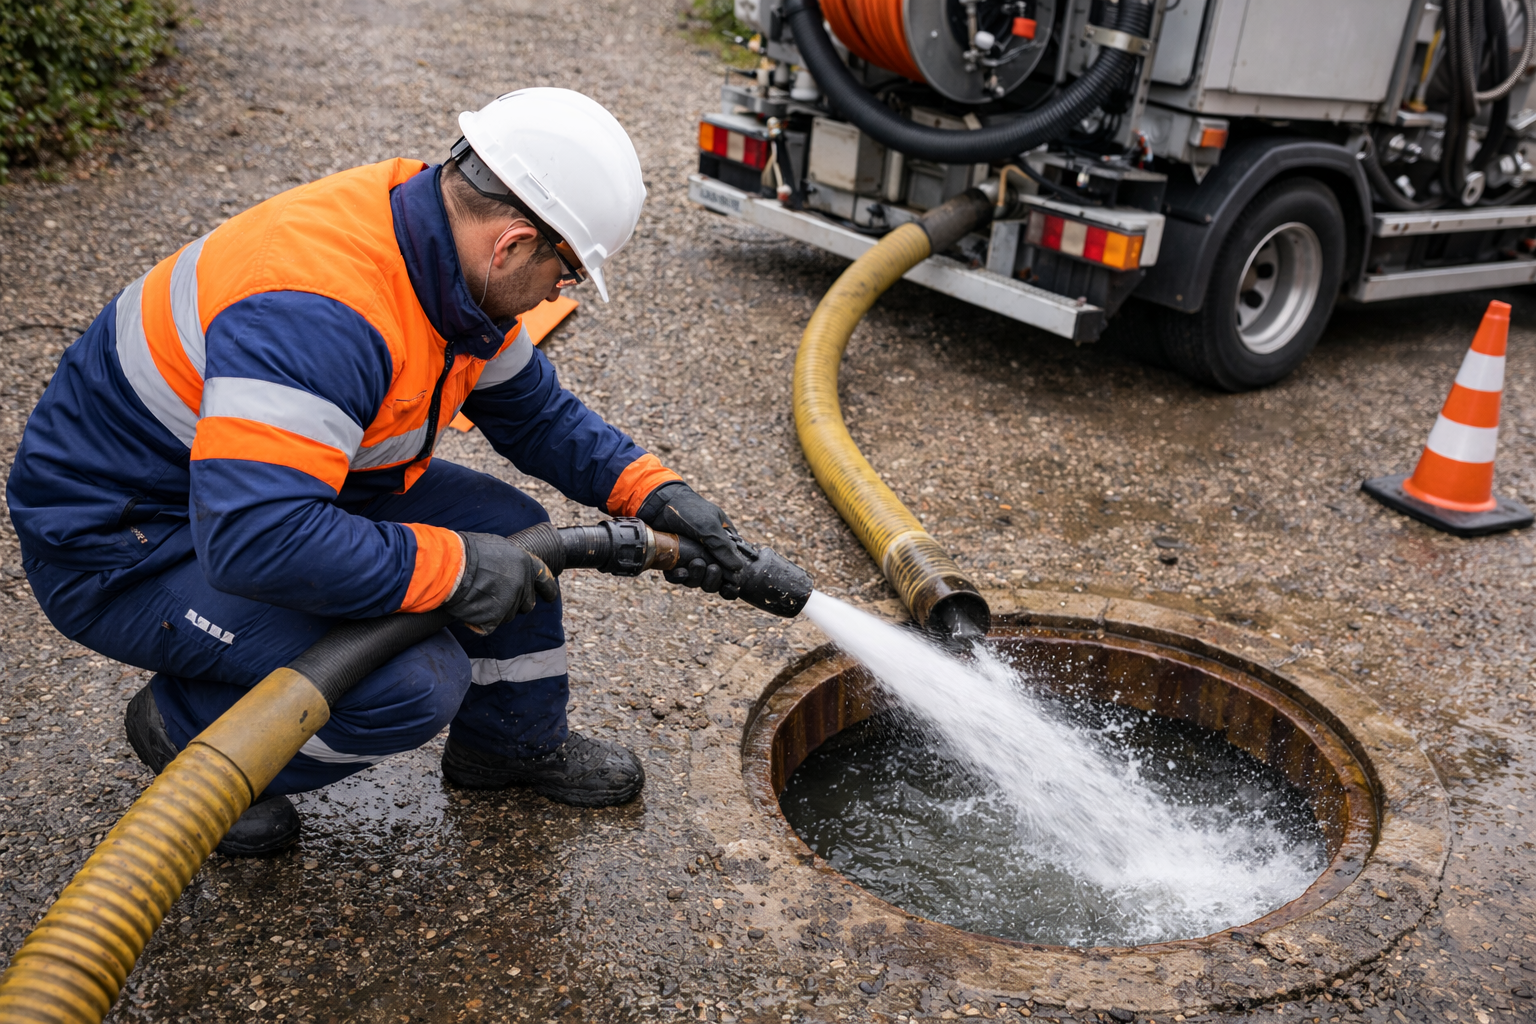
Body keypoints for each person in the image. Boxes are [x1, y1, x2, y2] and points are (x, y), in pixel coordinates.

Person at [5, 88, 752, 855]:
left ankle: (508, 748)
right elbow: (256, 537)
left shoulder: (443, 260)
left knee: (518, 536)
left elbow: (537, 414)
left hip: (269, 485)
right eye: (563, 276)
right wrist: (454, 567)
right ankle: (190, 737)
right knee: (405, 685)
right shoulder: (322, 308)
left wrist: (656, 493)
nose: (558, 296)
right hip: (132, 542)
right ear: (514, 244)